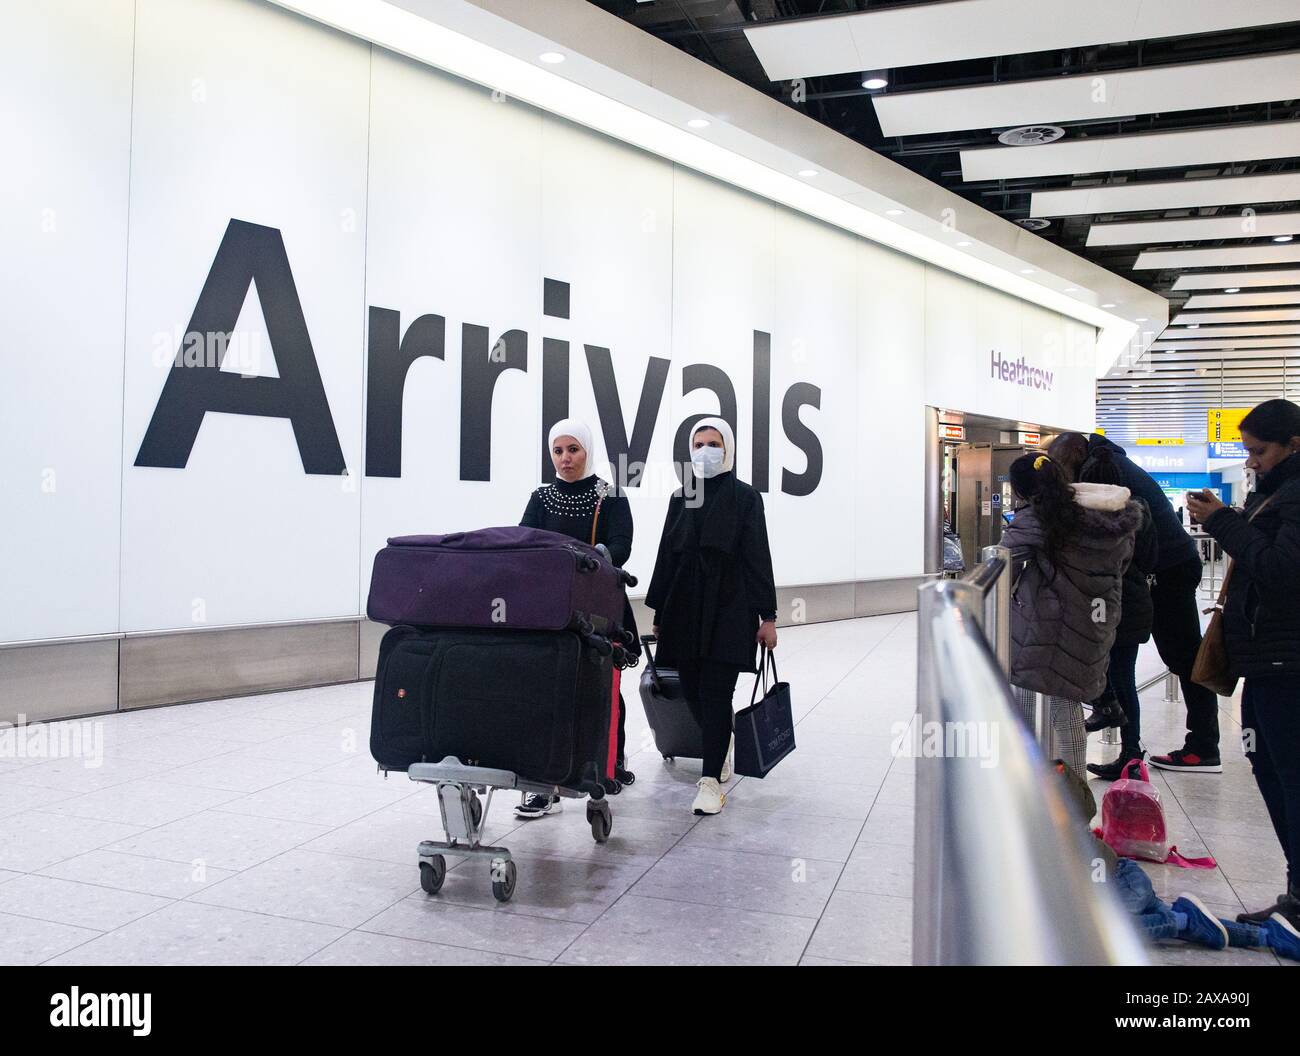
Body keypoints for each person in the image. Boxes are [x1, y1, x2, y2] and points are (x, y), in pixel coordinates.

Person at [1186, 398, 1300, 929]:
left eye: (1259, 452)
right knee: (1268, 765)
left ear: (1293, 445)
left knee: (1289, 774)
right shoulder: (1277, 490)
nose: (1251, 462)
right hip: (1268, 658)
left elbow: (1281, 570)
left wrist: (1223, 521)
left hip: (1287, 663)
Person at [1049, 431, 1221, 773]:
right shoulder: (1108, 463)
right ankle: (1183, 744)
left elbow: (1111, 536)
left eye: (1062, 466)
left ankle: (1200, 747)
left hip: (1164, 572)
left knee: (1178, 657)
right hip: (1164, 569)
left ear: (1077, 454)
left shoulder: (1101, 472)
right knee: (1154, 659)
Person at [644, 418, 778, 816]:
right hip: (684, 608)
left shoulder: (745, 498)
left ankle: (709, 782)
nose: (705, 451)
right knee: (691, 689)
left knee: (717, 692)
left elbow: (757, 557)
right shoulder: (681, 497)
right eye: (698, 444)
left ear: (728, 449)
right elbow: (667, 556)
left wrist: (768, 616)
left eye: (714, 443)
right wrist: (659, 612)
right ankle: (721, 743)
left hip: (730, 608)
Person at [514, 418, 638, 819]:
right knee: (548, 690)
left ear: (587, 451)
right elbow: (524, 539)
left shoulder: (609, 494)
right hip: (551, 609)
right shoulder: (542, 497)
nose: (565, 458)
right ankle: (545, 785)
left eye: (573, 450)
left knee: (602, 686)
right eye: (558, 451)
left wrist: (592, 559)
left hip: (598, 607)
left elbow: (622, 545)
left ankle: (609, 764)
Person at [999, 453, 1138, 775]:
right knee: (1068, 701)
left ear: (1020, 491)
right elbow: (1122, 565)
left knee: (1029, 689)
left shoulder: (1039, 519)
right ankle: (1075, 791)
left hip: (1049, 624)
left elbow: (1003, 561)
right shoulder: (1111, 517)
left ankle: (1028, 777)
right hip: (1096, 621)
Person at [1078, 447, 1159, 781]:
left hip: (1106, 602)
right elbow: (1151, 558)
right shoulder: (1139, 510)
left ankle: (1127, 747)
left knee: (1113, 674)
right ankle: (1129, 750)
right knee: (1123, 675)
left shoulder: (1085, 516)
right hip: (1134, 600)